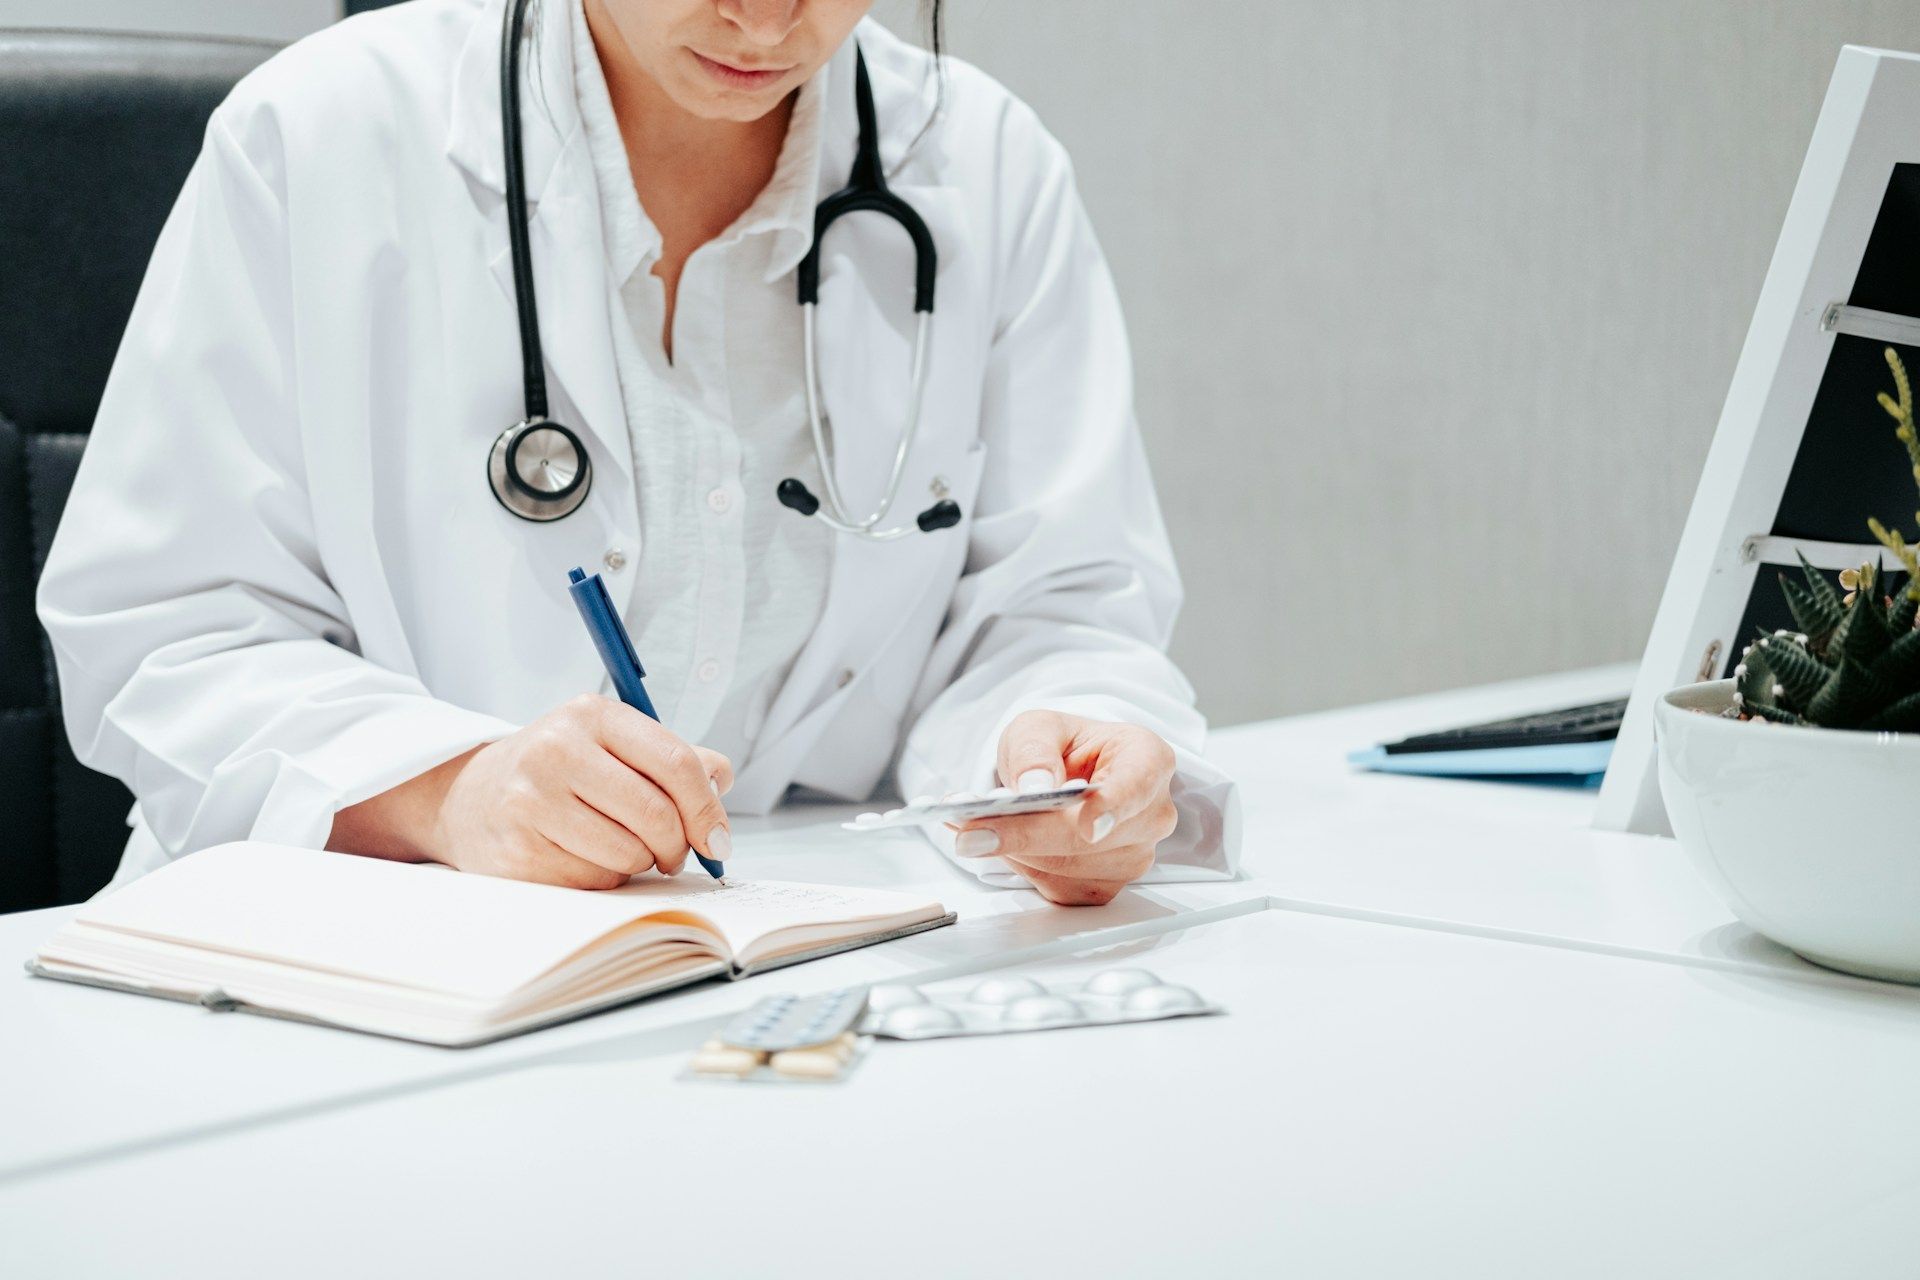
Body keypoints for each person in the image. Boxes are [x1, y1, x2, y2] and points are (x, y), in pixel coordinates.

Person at [37, 0, 1239, 906]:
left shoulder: (984, 164)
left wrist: (1062, 751)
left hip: (783, 970)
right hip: (347, 967)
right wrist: (451, 791)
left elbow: (1061, 609)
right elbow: (164, 631)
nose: (766, 17)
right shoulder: (323, 134)